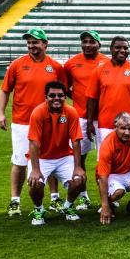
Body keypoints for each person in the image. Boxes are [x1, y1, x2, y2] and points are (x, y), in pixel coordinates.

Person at [0, 28, 67, 217]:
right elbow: (5, 90)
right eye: (29, 42)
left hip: (49, 121)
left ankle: (55, 198)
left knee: (52, 159)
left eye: (35, 42)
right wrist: (0, 114)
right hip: (22, 122)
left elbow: (63, 93)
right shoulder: (17, 64)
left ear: (45, 44)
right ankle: (15, 201)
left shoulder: (56, 67)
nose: (32, 46)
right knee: (20, 162)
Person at [26, 81, 85, 226]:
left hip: (64, 157)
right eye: (52, 95)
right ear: (45, 97)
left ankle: (68, 206)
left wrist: (78, 167)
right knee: (35, 183)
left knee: (79, 179)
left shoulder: (71, 112)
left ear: (65, 97)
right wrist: (35, 169)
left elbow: (76, 141)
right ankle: (38, 209)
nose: (56, 98)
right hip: (42, 158)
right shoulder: (38, 112)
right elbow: (34, 143)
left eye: (60, 95)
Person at [62, 29, 107, 211]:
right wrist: (80, 100)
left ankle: (109, 195)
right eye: (85, 41)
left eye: (91, 42)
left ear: (99, 44)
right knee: (78, 158)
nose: (88, 45)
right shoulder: (71, 63)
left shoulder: (106, 62)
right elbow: (65, 88)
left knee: (104, 158)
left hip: (104, 118)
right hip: (80, 117)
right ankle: (83, 195)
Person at [86, 36, 130, 145]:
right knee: (106, 159)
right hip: (106, 124)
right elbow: (92, 98)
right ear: (111, 49)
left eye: (125, 48)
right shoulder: (99, 70)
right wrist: (89, 122)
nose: (122, 51)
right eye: (118, 47)